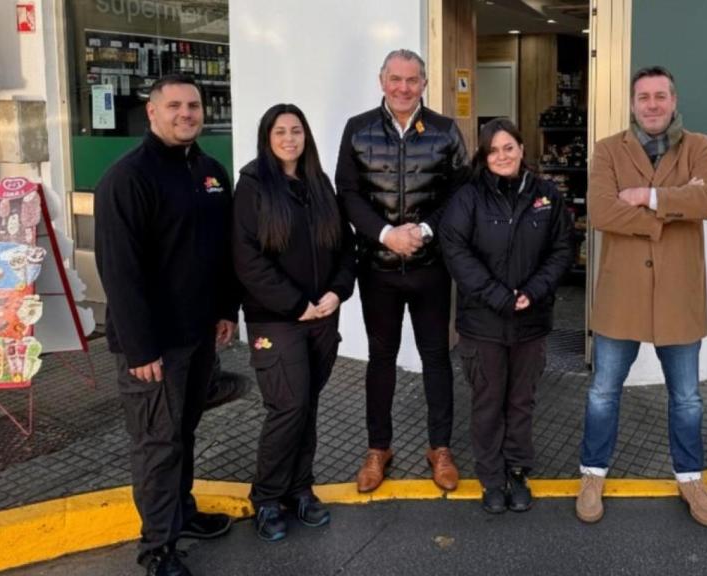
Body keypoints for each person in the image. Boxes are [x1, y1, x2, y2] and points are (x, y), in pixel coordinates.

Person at [94, 74, 239, 576]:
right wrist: (140, 350)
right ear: (151, 112)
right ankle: (157, 548)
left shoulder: (211, 171)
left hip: (200, 336)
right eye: (174, 105)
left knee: (184, 431)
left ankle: (181, 513)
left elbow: (221, 254)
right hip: (153, 347)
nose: (186, 114)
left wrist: (227, 310)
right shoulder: (127, 178)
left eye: (194, 106)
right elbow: (120, 272)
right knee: (157, 443)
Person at [575, 66, 707, 527]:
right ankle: (592, 474)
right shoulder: (607, 150)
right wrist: (669, 212)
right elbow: (601, 210)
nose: (653, 104)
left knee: (687, 398)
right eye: (644, 97)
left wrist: (646, 196)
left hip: (679, 295)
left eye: (661, 96)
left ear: (674, 101)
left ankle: (691, 478)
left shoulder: (699, 146)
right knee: (603, 391)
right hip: (622, 295)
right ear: (633, 103)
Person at [336, 49, 469, 493]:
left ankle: (440, 448)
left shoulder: (447, 131)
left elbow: (460, 194)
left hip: (431, 268)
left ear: (425, 84)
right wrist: (384, 234)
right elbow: (348, 192)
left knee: (436, 358)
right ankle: (379, 448)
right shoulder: (357, 129)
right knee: (381, 358)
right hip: (378, 268)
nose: (403, 88)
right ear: (381, 80)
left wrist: (426, 230)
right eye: (395, 79)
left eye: (412, 80)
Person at [232, 104, 356, 541]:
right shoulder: (252, 186)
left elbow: (345, 247)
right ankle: (266, 497)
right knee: (288, 407)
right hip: (277, 321)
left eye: (296, 130)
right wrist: (295, 304)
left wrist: (336, 292)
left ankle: (300, 489)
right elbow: (247, 260)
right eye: (280, 131)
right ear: (267, 137)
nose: (289, 138)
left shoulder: (319, 183)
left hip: (323, 316)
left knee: (307, 405)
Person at [440, 118, 573, 514]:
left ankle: (517, 471)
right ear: (484, 156)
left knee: (521, 401)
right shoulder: (468, 198)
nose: (502, 156)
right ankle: (491, 478)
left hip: (530, 321)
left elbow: (562, 249)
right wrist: (500, 296)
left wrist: (531, 292)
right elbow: (456, 251)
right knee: (487, 401)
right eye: (493, 150)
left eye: (509, 148)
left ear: (521, 149)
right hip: (483, 323)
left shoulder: (546, 195)